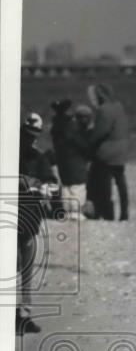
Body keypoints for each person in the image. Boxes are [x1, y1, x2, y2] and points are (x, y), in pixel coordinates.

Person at [17, 113, 60, 336]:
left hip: (28, 220)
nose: (29, 139)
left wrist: (46, 189)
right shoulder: (30, 154)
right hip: (22, 219)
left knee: (25, 266)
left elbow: (52, 184)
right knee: (22, 266)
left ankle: (24, 314)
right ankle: (22, 314)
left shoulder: (37, 156)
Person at [87, 83, 129, 221]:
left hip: (107, 151)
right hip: (121, 150)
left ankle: (102, 212)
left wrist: (89, 142)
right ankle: (124, 213)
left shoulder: (103, 110)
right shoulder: (119, 106)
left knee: (99, 181)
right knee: (120, 182)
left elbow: (100, 132)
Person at [49, 100, 91, 221]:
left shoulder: (56, 127)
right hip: (75, 161)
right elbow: (81, 144)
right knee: (78, 187)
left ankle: (67, 211)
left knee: (67, 187)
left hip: (62, 161)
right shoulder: (71, 127)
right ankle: (76, 211)